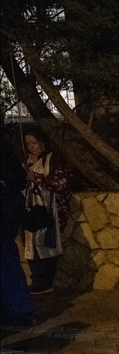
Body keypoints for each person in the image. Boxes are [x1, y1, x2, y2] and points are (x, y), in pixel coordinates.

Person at [21, 128, 76, 295]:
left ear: (42, 142)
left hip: (50, 210)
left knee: (46, 244)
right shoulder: (29, 161)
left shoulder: (55, 159)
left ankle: (45, 281)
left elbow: (61, 182)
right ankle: (37, 278)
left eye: (34, 143)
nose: (32, 147)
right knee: (30, 244)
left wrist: (37, 178)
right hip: (32, 208)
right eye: (28, 143)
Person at [2, 132, 36, 328]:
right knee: (7, 255)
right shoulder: (5, 145)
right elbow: (18, 176)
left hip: (5, 203)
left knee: (5, 255)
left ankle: (18, 310)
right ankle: (17, 309)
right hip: (10, 203)